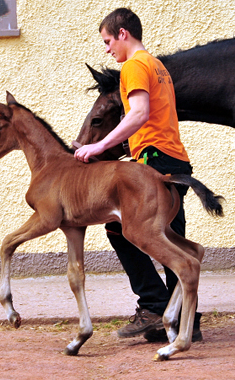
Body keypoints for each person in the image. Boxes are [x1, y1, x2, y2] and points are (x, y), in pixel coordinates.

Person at [74, 7, 202, 342]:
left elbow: (140, 113)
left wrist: (98, 146)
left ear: (123, 34)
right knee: (171, 237)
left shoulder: (133, 66)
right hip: (176, 161)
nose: (107, 49)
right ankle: (185, 321)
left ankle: (154, 304)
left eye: (107, 41)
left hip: (155, 160)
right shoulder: (158, 67)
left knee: (119, 228)